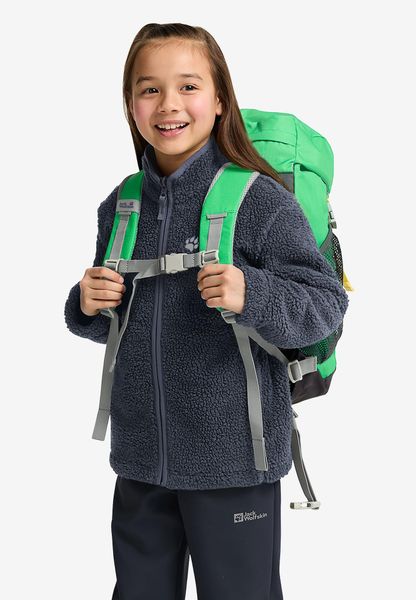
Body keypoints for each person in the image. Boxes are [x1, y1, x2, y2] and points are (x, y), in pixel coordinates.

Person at [64, 22, 349, 600]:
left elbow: (325, 305)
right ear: (130, 104)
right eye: (149, 89)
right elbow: (121, 322)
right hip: (140, 458)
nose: (168, 104)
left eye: (188, 86)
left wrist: (253, 293)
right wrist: (86, 305)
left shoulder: (259, 200)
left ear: (220, 101)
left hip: (235, 462)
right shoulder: (120, 206)